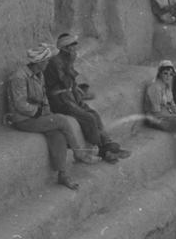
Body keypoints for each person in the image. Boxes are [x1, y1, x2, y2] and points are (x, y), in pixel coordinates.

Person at [7, 44, 101, 190]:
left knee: (58, 135)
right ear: (38, 62)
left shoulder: (39, 74)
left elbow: (44, 98)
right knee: (61, 120)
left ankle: (63, 175)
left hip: (37, 116)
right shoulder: (19, 77)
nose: (48, 63)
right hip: (23, 119)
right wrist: (40, 112)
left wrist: (47, 112)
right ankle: (80, 154)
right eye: (46, 60)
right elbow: (20, 104)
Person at [44, 33, 130, 163]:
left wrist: (78, 92)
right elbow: (66, 82)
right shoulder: (55, 62)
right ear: (65, 48)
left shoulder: (66, 59)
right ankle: (103, 149)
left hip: (69, 96)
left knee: (94, 114)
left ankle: (107, 143)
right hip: (59, 100)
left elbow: (71, 84)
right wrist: (70, 63)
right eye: (73, 45)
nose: (75, 48)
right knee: (88, 118)